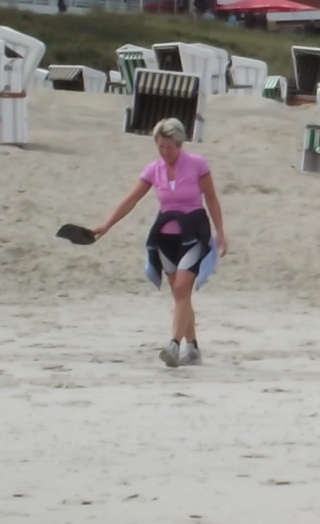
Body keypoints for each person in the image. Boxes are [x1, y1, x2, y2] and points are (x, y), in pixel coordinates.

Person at [86, 119, 229, 366]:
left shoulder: (197, 165)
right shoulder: (154, 169)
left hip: (194, 233)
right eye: (160, 147)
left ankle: (173, 345)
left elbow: (212, 200)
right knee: (178, 293)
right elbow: (131, 200)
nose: (164, 153)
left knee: (183, 288)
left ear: (179, 144)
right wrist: (106, 225)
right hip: (165, 236)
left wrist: (221, 233)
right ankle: (192, 347)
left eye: (169, 148)